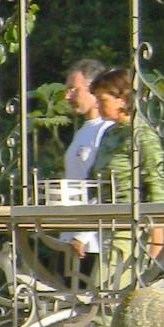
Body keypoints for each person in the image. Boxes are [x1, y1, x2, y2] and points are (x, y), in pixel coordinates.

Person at [75, 67, 164, 327]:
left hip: (132, 231)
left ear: (124, 97)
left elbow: (156, 184)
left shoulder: (142, 135)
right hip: (108, 228)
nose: (99, 107)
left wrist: (157, 235)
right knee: (98, 301)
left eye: (104, 99)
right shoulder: (110, 134)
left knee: (102, 302)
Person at [56, 57, 111, 265]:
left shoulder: (107, 131)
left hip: (94, 242)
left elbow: (105, 187)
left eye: (73, 89)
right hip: (73, 236)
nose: (67, 96)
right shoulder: (82, 131)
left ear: (94, 90)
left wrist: (84, 234)